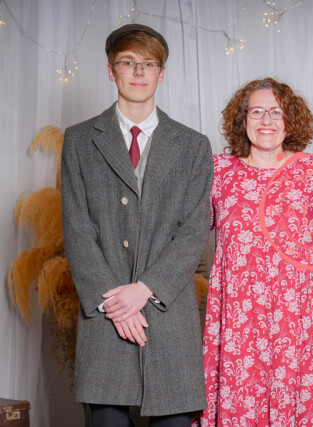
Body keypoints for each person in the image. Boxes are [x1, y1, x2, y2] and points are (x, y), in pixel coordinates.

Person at [61, 24, 213, 426]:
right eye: (128, 62)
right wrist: (115, 304)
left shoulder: (193, 145)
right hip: (105, 315)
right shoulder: (79, 140)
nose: (139, 71)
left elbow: (194, 230)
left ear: (161, 73)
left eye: (149, 63)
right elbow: (76, 227)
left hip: (167, 314)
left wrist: (145, 289)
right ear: (111, 70)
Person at [199, 77, 313, 426]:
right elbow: (187, 233)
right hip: (240, 313)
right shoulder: (219, 171)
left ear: (290, 120)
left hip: (301, 312)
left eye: (276, 112)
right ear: (242, 119)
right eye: (257, 111)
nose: (266, 120)